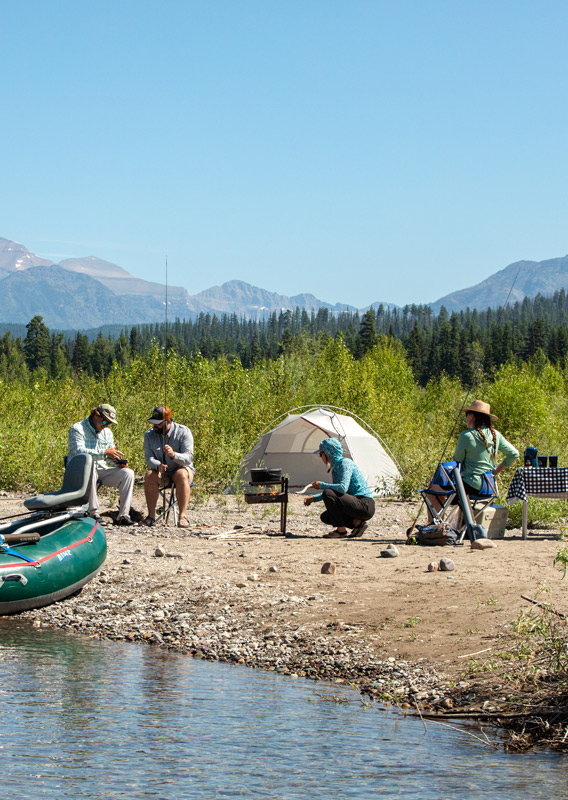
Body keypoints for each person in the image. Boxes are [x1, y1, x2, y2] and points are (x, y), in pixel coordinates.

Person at [424, 399, 519, 519]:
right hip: (488, 487)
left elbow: (457, 460)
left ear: (472, 416)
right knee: (442, 489)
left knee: (433, 491)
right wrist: (494, 473)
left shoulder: (466, 436)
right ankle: (446, 526)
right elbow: (514, 454)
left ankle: (435, 528)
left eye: (466, 414)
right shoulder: (495, 435)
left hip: (469, 486)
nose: (465, 418)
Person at [68, 403, 135, 525]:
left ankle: (123, 515)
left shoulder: (107, 433)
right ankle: (94, 513)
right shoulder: (77, 429)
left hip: (101, 469)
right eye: (105, 422)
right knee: (91, 468)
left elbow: (108, 458)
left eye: (109, 423)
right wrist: (104, 452)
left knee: (128, 473)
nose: (106, 426)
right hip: (80, 470)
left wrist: (116, 462)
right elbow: (79, 452)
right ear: (96, 416)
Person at [303, 437, 375, 538]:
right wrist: (314, 498)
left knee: (327, 492)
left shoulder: (345, 463)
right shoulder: (335, 468)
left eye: (321, 454)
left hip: (364, 504)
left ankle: (341, 531)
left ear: (328, 453)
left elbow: (342, 488)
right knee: (326, 517)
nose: (321, 457)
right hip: (355, 504)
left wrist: (321, 485)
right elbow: (336, 493)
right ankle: (357, 523)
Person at [140, 405, 195, 528]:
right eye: (153, 423)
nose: (155, 426)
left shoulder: (184, 432)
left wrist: (173, 455)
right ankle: (151, 517)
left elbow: (188, 458)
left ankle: (182, 516)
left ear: (168, 421)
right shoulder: (149, 435)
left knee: (181, 474)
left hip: (182, 470)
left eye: (158, 423)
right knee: (149, 475)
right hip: (162, 472)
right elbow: (149, 458)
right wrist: (157, 465)